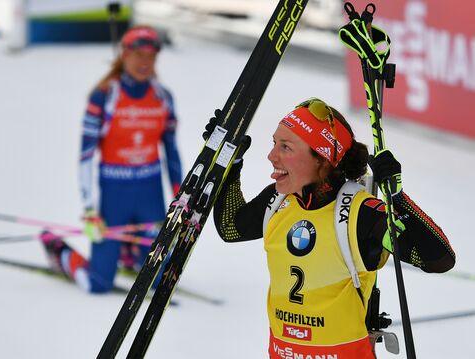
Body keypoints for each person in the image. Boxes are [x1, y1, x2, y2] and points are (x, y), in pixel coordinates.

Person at [212, 98, 455, 358]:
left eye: (286, 147)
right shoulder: (278, 200)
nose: (272, 156)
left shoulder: (361, 214)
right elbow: (231, 227)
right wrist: (231, 163)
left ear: (322, 159)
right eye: (274, 144)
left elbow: (439, 260)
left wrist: (398, 199)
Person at [41, 25, 182, 293]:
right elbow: (85, 156)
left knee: (159, 280)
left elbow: (171, 151)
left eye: (151, 57)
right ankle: (57, 249)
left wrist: (180, 196)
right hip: (114, 197)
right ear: (124, 55)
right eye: (138, 55)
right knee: (98, 284)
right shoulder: (104, 96)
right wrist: (90, 210)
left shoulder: (163, 97)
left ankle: (130, 252)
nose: (145, 63)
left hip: (150, 195)